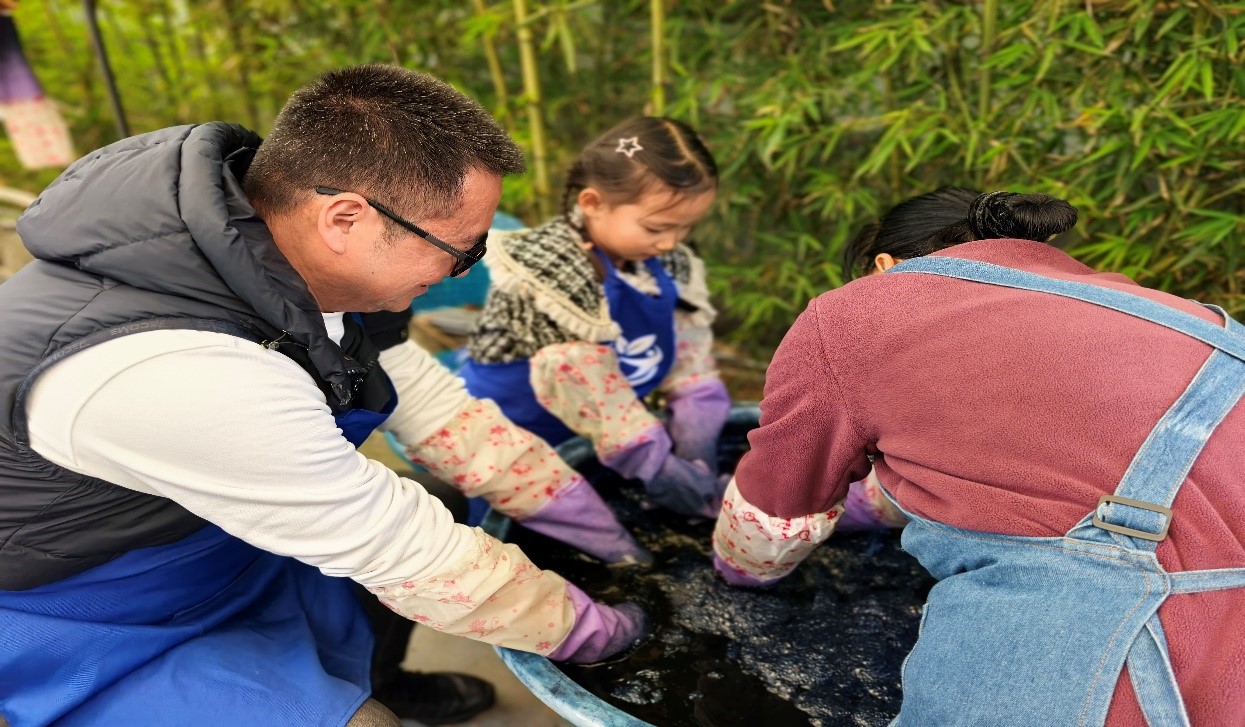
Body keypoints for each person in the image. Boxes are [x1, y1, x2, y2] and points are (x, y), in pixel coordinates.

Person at [0, 65, 648, 727]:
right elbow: (400, 548)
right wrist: (608, 632)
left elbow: (434, 408)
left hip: (206, 533)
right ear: (344, 219)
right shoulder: (186, 369)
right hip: (85, 609)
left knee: (440, 497)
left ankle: (382, 675)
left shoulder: (272, 252)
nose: (467, 270)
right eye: (460, 248)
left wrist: (598, 526)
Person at [711, 186, 1245, 725]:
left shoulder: (853, 317)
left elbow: (773, 513)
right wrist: (872, 509)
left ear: (883, 266)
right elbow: (1027, 455)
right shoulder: (1176, 316)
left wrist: (736, 577)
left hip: (1098, 645)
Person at [460, 117, 732, 519]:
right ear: (592, 203)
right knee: (520, 521)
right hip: (516, 432)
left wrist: (697, 433)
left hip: (607, 428)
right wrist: (659, 467)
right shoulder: (547, 270)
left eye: (685, 228)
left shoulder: (667, 262)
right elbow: (590, 389)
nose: (671, 242)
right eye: (656, 227)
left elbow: (689, 355)